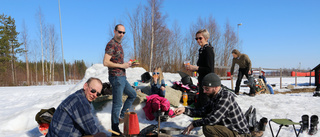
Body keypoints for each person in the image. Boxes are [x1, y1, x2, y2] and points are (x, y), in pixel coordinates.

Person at [174, 73, 251, 137]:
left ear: (216, 87)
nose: (204, 91)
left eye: (207, 89)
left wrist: (194, 124)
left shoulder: (225, 97)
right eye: (203, 88)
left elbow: (214, 119)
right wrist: (185, 110)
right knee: (208, 126)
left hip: (240, 134)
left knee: (208, 128)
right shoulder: (214, 96)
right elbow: (203, 111)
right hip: (229, 129)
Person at [103, 24, 137, 136]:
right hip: (116, 77)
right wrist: (122, 66)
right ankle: (115, 129)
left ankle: (122, 116)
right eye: (119, 32)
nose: (121, 34)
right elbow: (105, 62)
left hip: (122, 77)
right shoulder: (111, 44)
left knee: (132, 94)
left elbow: (118, 62)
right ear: (114, 31)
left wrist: (128, 64)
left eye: (123, 33)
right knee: (117, 104)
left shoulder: (119, 44)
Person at [186, 29, 215, 109]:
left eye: (200, 38)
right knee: (201, 101)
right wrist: (194, 69)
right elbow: (202, 67)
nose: (198, 40)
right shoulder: (201, 50)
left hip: (208, 82)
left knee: (205, 103)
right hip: (202, 80)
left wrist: (196, 67)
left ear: (206, 38)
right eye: (196, 39)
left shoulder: (208, 50)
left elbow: (209, 69)